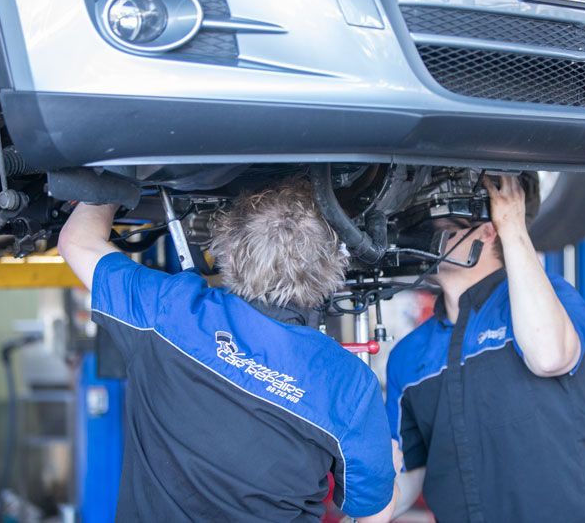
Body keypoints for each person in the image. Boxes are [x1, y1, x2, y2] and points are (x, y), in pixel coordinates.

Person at [58, 180, 399, 522]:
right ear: (332, 269)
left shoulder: (170, 311)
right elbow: (374, 513)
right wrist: (390, 468)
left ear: (229, 252)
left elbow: (77, 242)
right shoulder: (349, 383)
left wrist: (116, 173)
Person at [385, 174, 585, 522]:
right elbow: (409, 475)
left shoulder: (553, 299)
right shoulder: (408, 354)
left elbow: (549, 357)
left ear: (486, 232)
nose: (424, 237)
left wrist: (512, 225)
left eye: (438, 224)